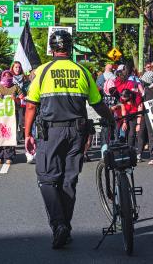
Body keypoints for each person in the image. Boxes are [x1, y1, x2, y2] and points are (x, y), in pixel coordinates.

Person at [25, 30, 114, 249]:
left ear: (51, 48)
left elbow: (30, 105)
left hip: (51, 133)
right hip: (78, 133)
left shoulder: (43, 72)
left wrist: (27, 134)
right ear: (70, 47)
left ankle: (59, 225)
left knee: (47, 179)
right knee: (69, 180)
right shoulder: (82, 71)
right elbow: (97, 103)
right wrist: (111, 119)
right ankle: (65, 225)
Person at [0, 70, 22, 164]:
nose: (7, 78)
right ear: (2, 77)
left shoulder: (15, 87)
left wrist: (15, 99)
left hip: (12, 115)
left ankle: (9, 156)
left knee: (10, 134)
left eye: (9, 76)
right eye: (5, 76)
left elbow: (22, 101)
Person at [10, 61, 30, 144]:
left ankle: (18, 137)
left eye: (19, 67)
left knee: (21, 121)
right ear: (12, 68)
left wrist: (25, 96)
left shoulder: (24, 78)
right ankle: (12, 137)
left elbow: (28, 89)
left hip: (22, 102)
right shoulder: (9, 77)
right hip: (12, 102)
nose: (17, 69)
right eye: (16, 67)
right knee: (12, 120)